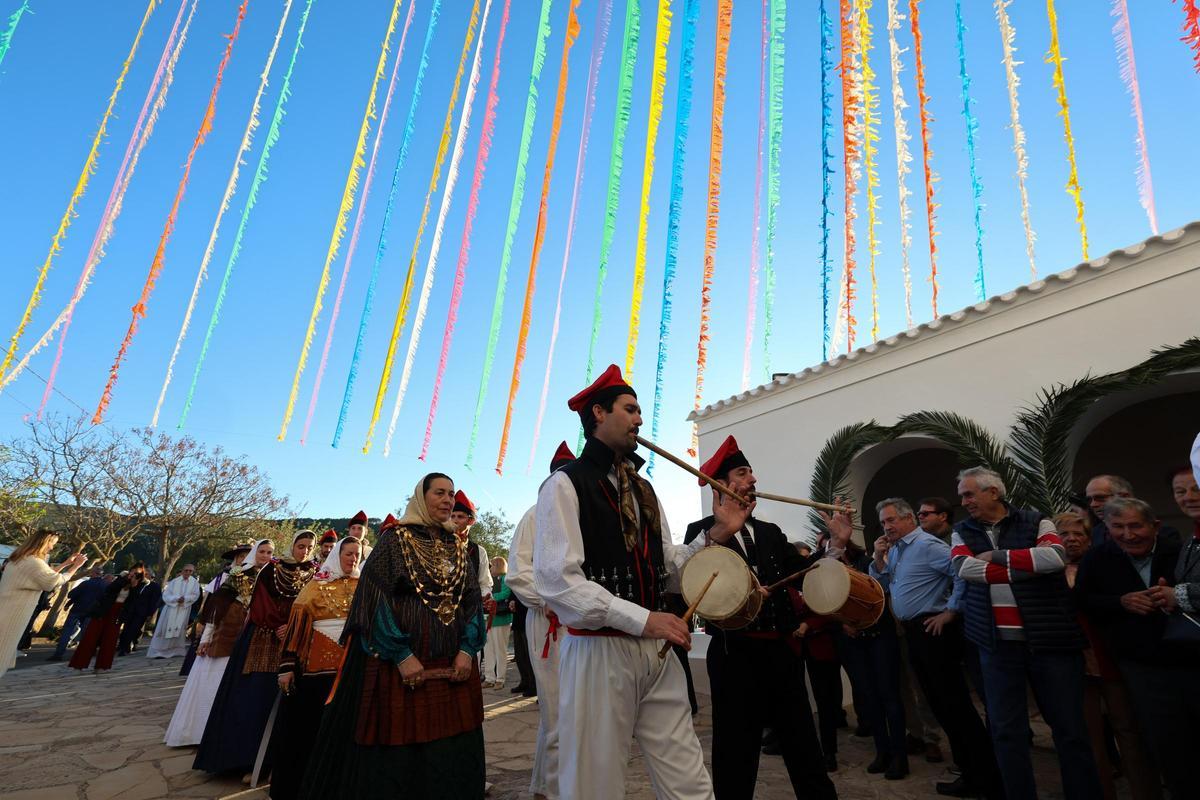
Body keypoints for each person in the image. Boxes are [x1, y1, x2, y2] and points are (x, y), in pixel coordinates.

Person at [534, 364, 717, 800]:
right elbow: (558, 582)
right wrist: (643, 619)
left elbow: (668, 564)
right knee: (593, 783)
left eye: (639, 411)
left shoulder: (643, 489)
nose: (639, 419)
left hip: (657, 649)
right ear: (598, 413)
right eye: (630, 409)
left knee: (688, 778)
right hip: (599, 650)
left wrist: (718, 533)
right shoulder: (565, 484)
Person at [300, 474, 486, 799]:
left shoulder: (456, 545)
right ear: (420, 497)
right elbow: (374, 599)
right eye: (439, 493)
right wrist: (401, 654)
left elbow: (471, 601)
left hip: (452, 664)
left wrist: (468, 650)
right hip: (400, 666)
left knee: (451, 747)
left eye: (451, 494)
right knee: (399, 752)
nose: (447, 500)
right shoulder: (395, 540)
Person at [682, 435, 840, 798]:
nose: (753, 480)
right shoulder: (701, 534)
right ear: (722, 485)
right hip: (733, 656)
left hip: (781, 654)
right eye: (742, 472)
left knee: (802, 740)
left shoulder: (770, 532)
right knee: (735, 748)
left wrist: (836, 545)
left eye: (752, 473)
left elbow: (806, 571)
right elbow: (695, 589)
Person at [951, 466, 1102, 800]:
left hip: (1051, 642)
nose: (963, 502)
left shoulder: (1037, 521)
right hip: (996, 646)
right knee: (1006, 732)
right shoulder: (961, 530)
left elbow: (1054, 557)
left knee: (1070, 730)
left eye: (968, 493)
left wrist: (997, 556)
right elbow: (964, 569)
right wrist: (1025, 568)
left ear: (993, 492)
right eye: (962, 495)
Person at [870, 498, 1000, 797]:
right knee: (941, 707)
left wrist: (951, 611)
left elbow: (963, 573)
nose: (886, 527)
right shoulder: (898, 551)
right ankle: (969, 773)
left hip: (933, 630)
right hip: (914, 633)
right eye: (883, 523)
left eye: (891, 520)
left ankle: (985, 777)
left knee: (955, 706)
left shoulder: (928, 546)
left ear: (908, 519)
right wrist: (879, 559)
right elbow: (884, 583)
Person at [1075, 497, 1196, 799]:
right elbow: (1082, 600)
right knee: (1166, 740)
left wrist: (1173, 596)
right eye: (1118, 527)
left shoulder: (1178, 551)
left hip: (1190, 660)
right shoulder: (1098, 558)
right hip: (1141, 665)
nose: (1128, 535)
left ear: (1155, 526)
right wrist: (1120, 602)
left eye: (1135, 526)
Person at [195, 530, 316, 774]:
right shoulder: (271, 570)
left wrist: (294, 628)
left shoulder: (316, 574)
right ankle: (244, 759)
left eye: (309, 547)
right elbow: (261, 604)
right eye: (301, 546)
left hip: (297, 641)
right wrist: (279, 625)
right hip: (264, 636)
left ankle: (275, 762)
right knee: (255, 698)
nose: (305, 551)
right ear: (292, 545)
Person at [1057, 511, 1159, 800]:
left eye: (1079, 534)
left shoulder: (1105, 567)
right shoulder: (1048, 573)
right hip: (1074, 664)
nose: (1072, 540)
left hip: (1111, 659)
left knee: (1128, 731)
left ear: (1091, 540)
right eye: (1065, 534)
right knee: (1091, 738)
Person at [506, 441, 575, 800]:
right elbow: (517, 574)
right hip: (548, 623)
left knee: (573, 711)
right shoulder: (534, 516)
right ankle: (553, 791)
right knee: (556, 710)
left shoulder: (582, 517)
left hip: (581, 625)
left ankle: (545, 785)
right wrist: (548, 602)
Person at [266, 538, 361, 800]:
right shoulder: (315, 586)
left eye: (357, 554)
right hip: (315, 674)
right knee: (307, 733)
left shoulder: (364, 586)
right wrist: (287, 667)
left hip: (352, 672)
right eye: (348, 554)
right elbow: (297, 629)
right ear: (337, 555)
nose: (353, 559)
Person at [165, 539, 272, 747]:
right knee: (212, 682)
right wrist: (205, 637)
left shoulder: (270, 578)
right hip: (225, 635)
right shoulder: (235, 577)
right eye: (261, 552)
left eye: (269, 552)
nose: (265, 556)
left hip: (251, 637)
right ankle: (197, 732)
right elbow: (216, 609)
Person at [0, 530, 86, 679]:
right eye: (51, 543)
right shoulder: (33, 562)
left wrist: (66, 563)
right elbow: (53, 581)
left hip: (7, 609)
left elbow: (46, 575)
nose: (52, 548)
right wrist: (75, 567)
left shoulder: (22, 558)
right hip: (10, 615)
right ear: (42, 543)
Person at [181, 541, 254, 677]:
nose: (244, 560)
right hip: (217, 621)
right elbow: (210, 600)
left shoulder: (255, 577)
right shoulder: (224, 576)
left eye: (248, 556)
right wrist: (203, 620)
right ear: (235, 559)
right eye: (241, 556)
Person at [71, 562, 150, 672]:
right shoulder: (121, 578)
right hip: (105, 609)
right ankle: (79, 663)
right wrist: (125, 579)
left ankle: (101, 665)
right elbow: (110, 589)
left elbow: (133, 600)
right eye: (133, 571)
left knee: (109, 640)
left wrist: (134, 584)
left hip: (118, 612)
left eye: (137, 573)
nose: (133, 574)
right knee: (91, 636)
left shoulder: (140, 585)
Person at [49, 566, 108, 662]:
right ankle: (84, 654)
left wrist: (72, 601)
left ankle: (58, 654)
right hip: (91, 612)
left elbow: (71, 594)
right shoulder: (105, 585)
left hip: (77, 609)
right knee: (86, 634)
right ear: (101, 574)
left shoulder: (85, 583)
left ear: (93, 573)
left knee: (67, 632)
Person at [146, 564, 201, 659]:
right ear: (183, 570)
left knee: (179, 629)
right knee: (166, 628)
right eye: (186, 570)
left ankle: (175, 650)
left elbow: (195, 595)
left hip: (184, 609)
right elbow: (166, 595)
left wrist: (185, 599)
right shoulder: (174, 582)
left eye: (190, 571)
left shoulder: (195, 583)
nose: (188, 572)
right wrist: (176, 599)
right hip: (171, 608)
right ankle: (160, 651)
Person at [483, 556, 513, 689]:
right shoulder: (490, 581)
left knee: (500, 650)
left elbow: (506, 593)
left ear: (498, 565)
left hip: (501, 619)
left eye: (493, 565)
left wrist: (492, 598)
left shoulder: (506, 578)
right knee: (488, 649)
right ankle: (489, 678)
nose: (490, 568)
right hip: (489, 619)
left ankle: (500, 678)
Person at [117, 569, 161, 655]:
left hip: (142, 612)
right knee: (126, 629)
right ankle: (122, 646)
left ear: (151, 576)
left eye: (146, 574)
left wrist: (150, 613)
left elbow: (155, 601)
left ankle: (125, 648)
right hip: (130, 610)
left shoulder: (155, 586)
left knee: (134, 629)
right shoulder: (137, 584)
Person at [508, 593, 536, 696]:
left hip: (527, 617)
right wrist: (511, 601)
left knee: (529, 655)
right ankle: (525, 681)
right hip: (518, 619)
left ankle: (534, 684)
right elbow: (514, 590)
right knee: (520, 654)